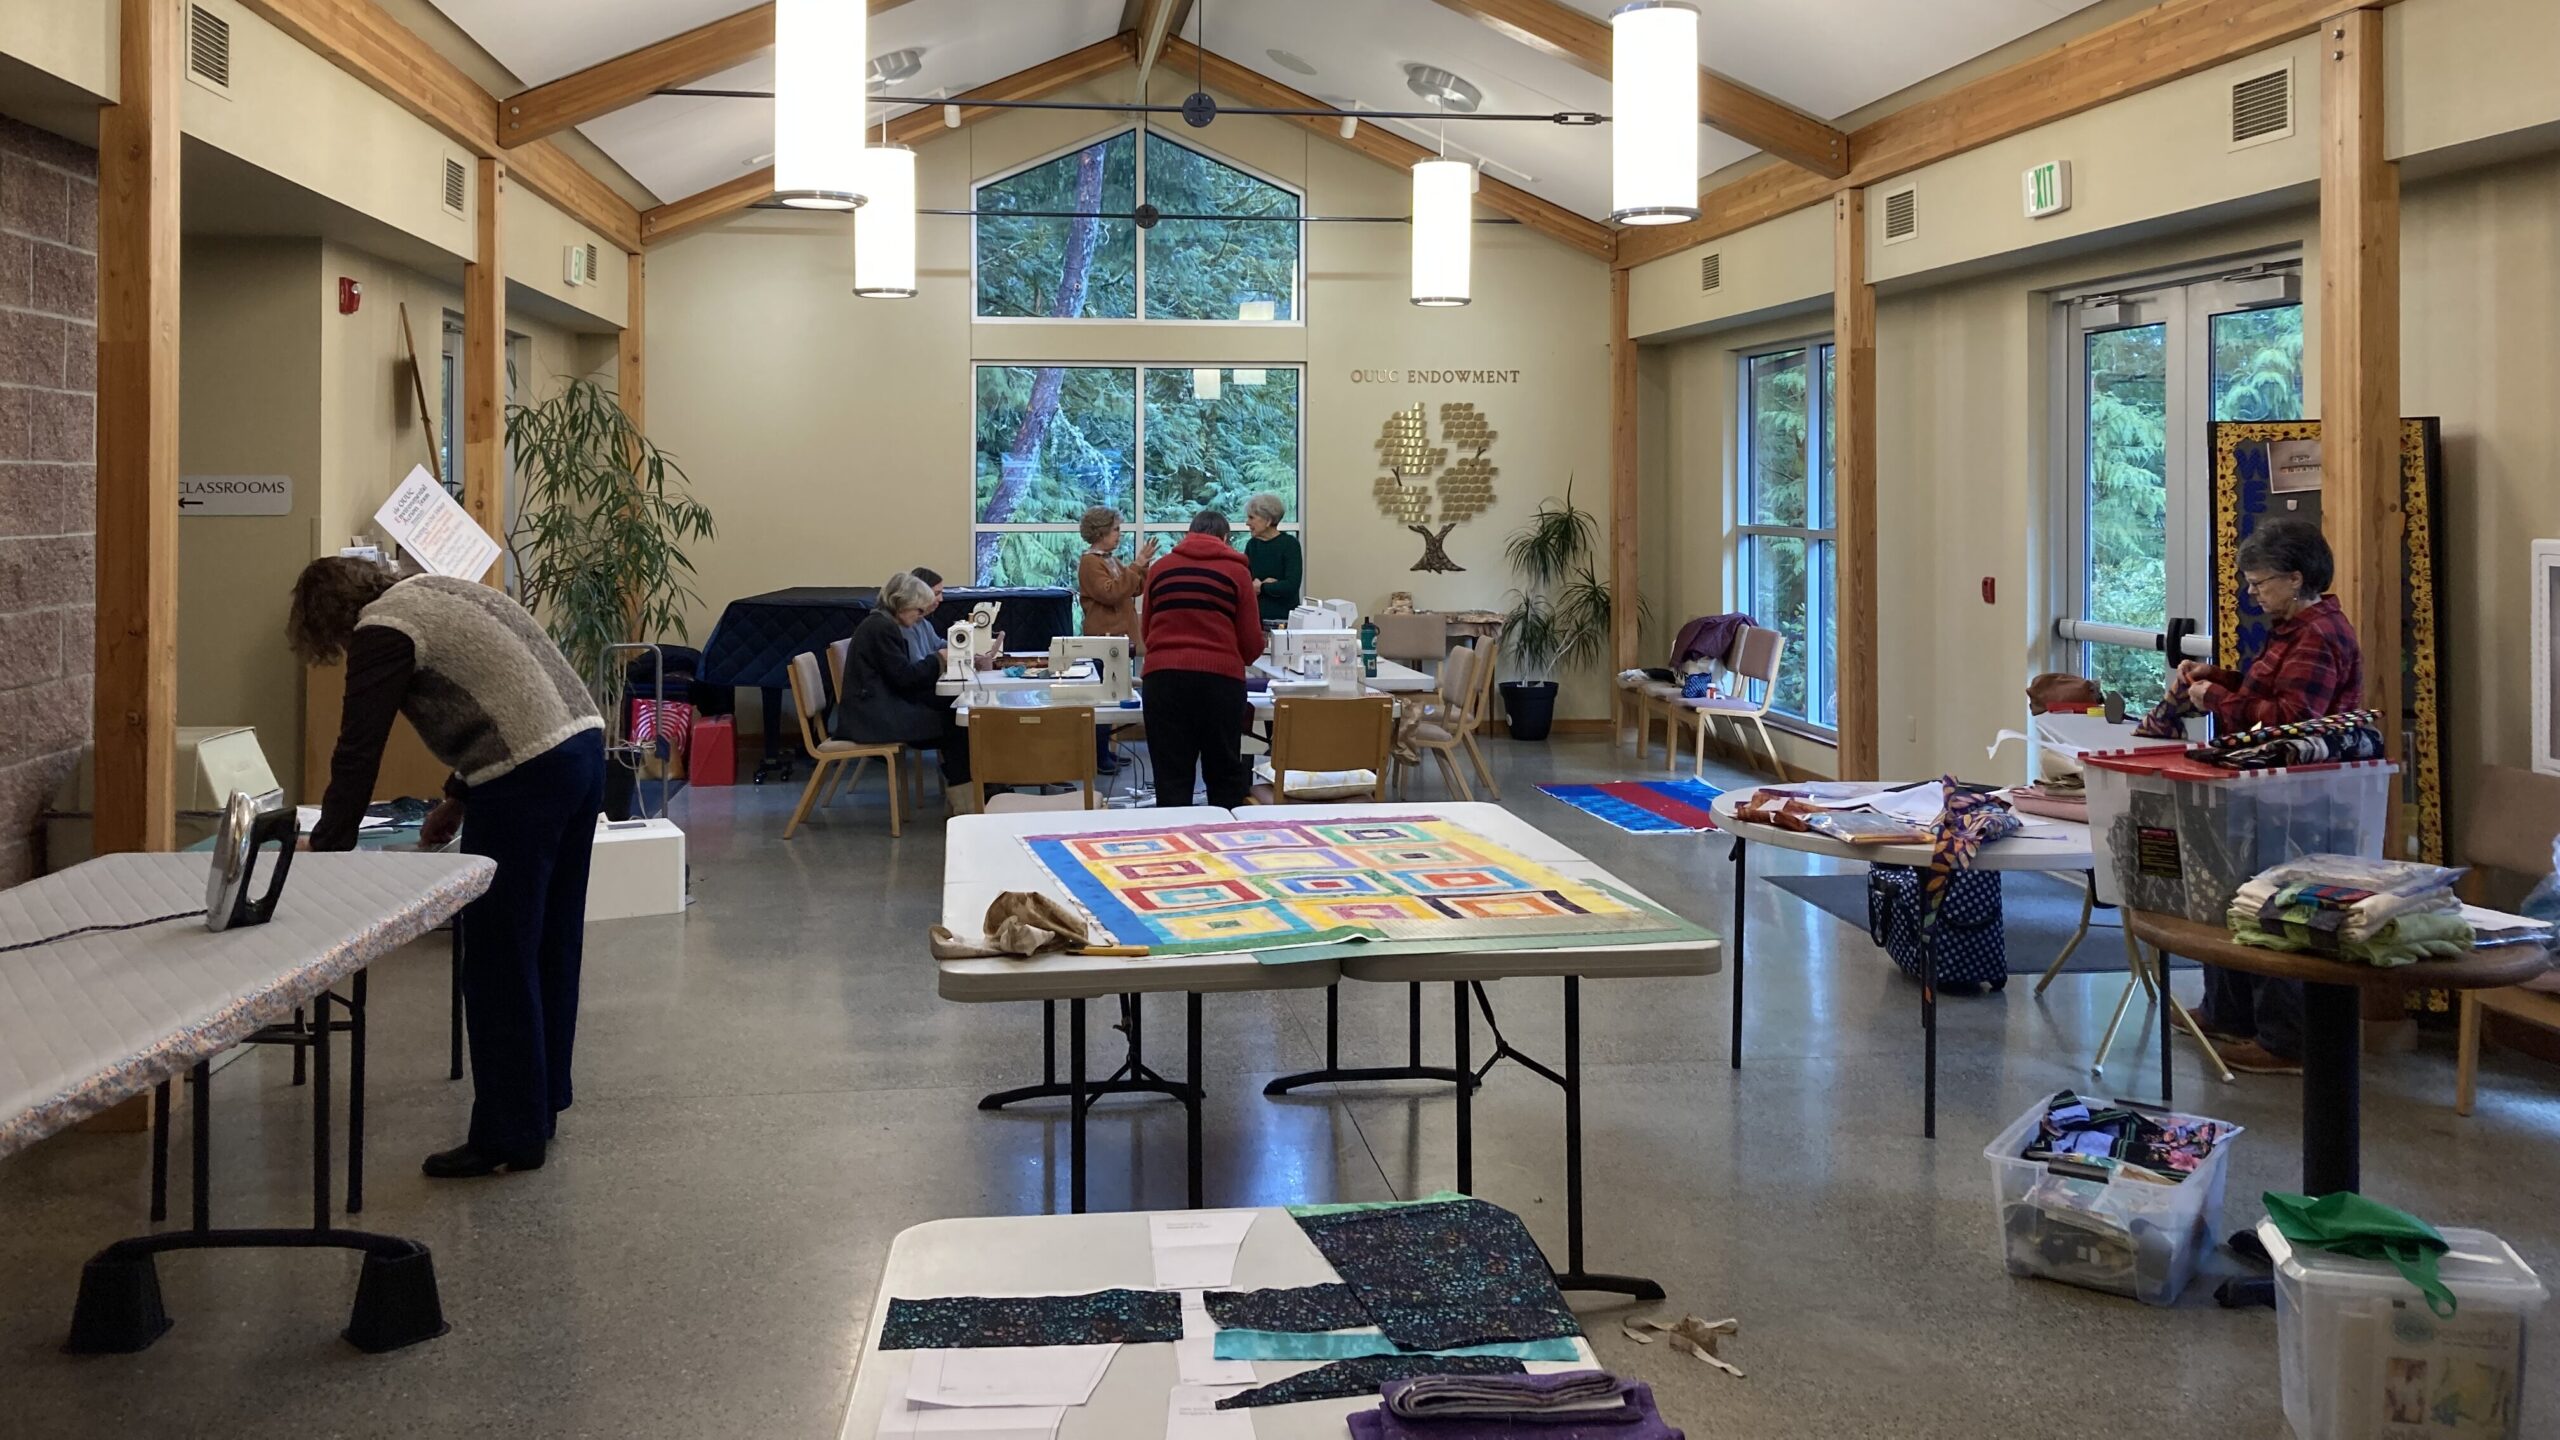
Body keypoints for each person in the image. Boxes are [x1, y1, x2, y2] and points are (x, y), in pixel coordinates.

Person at [287, 557, 605, 1178]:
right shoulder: (440, 590)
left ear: (329, 618)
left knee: (496, 958)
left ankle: (508, 1138)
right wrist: (459, 794)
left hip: (527, 778)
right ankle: (541, 1106)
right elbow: (510, 687)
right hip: (583, 749)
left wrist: (323, 854)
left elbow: (358, 749)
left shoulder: (383, 627)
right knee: (550, 943)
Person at [2171, 518, 2365, 1077]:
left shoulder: (2319, 635)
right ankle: (2229, 1013)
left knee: (2280, 908)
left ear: (2297, 579)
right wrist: (2218, 678)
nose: (2251, 593)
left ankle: (2285, 1041)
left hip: (2303, 799)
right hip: (2273, 793)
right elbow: (2266, 693)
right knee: (2235, 893)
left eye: (2260, 583)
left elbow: (2291, 724)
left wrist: (2214, 702)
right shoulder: (2292, 628)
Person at [1142, 510, 1266, 808]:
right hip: (1219, 683)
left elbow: (1147, 630)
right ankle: (1223, 848)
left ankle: (1174, 849)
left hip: (1163, 681)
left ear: (1189, 534)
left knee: (1171, 777)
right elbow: (1251, 642)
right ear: (1225, 539)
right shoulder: (1237, 573)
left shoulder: (1160, 568)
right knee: (1223, 776)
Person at [836, 570, 971, 785]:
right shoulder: (881, 628)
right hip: (873, 718)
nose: (920, 616)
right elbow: (905, 678)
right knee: (957, 725)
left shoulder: (881, 624)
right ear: (901, 603)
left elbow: (903, 677)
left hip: (879, 707)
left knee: (956, 712)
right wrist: (938, 659)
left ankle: (965, 788)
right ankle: (966, 793)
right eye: (918, 610)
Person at [1076, 507, 1155, 776]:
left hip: (1119, 639)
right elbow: (1109, 593)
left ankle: (1105, 749)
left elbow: (1132, 587)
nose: (1119, 535)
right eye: (1115, 530)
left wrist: (1141, 567)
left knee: (1112, 697)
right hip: (1104, 638)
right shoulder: (1090, 562)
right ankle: (1097, 754)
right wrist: (1135, 566)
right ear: (1100, 532)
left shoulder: (1108, 560)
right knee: (1103, 700)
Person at [1241, 492, 1302, 626]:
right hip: (1255, 621)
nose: (1247, 523)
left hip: (1284, 622)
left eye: (1252, 518)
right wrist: (1272, 585)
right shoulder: (1252, 545)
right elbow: (1245, 584)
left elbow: (1291, 585)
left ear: (1267, 520)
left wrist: (1262, 587)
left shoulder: (1290, 545)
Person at [903, 566, 948, 664]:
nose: (941, 599)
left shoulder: (924, 623)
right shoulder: (906, 626)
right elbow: (916, 665)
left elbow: (939, 645)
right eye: (936, 593)